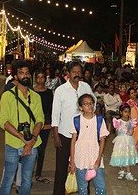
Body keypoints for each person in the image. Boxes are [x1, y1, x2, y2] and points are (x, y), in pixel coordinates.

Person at [0, 60, 44, 195]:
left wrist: (31, 141)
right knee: (8, 179)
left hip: (32, 143)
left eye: (27, 73)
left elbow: (40, 120)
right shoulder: (7, 96)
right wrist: (23, 139)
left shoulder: (35, 97)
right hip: (13, 143)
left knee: (27, 179)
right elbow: (4, 121)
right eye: (21, 73)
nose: (25, 75)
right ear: (15, 76)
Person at [52, 62, 97, 195]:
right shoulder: (61, 90)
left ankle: (84, 192)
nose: (76, 74)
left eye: (79, 72)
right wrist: (56, 135)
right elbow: (55, 113)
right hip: (65, 133)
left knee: (83, 166)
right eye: (74, 72)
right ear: (68, 74)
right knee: (61, 168)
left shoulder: (85, 87)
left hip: (83, 135)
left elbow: (93, 103)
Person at [70, 94, 109, 194]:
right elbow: (73, 141)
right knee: (82, 187)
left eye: (91, 103)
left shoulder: (99, 120)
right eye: (86, 104)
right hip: (80, 158)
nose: (90, 106)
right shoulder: (76, 120)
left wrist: (99, 159)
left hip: (95, 157)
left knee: (101, 186)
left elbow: (102, 140)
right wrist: (72, 161)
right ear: (80, 107)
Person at [33, 69, 53, 184]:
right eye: (38, 77)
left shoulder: (49, 93)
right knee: (31, 149)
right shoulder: (30, 91)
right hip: (33, 124)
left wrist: (52, 124)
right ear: (35, 79)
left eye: (42, 77)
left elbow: (51, 109)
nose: (40, 80)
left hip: (45, 124)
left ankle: (38, 174)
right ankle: (26, 172)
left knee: (41, 150)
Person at [109, 104, 138, 181]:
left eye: (128, 112)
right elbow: (116, 132)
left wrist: (129, 133)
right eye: (125, 112)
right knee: (120, 154)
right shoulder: (118, 122)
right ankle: (122, 170)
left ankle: (128, 173)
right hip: (121, 140)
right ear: (121, 112)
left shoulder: (131, 122)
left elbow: (132, 132)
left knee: (128, 155)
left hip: (129, 140)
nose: (127, 113)